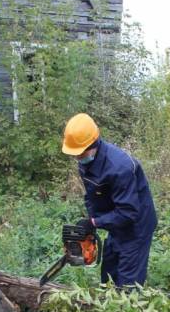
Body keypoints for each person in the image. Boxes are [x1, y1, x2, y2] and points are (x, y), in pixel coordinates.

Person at [62, 113, 157, 287]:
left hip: (136, 226)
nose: (77, 157)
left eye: (80, 153)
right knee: (108, 277)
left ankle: (129, 309)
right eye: (75, 154)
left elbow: (129, 213)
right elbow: (92, 195)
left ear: (93, 144)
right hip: (116, 222)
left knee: (127, 283)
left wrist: (95, 222)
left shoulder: (120, 168)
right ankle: (108, 303)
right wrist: (90, 222)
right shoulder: (85, 162)